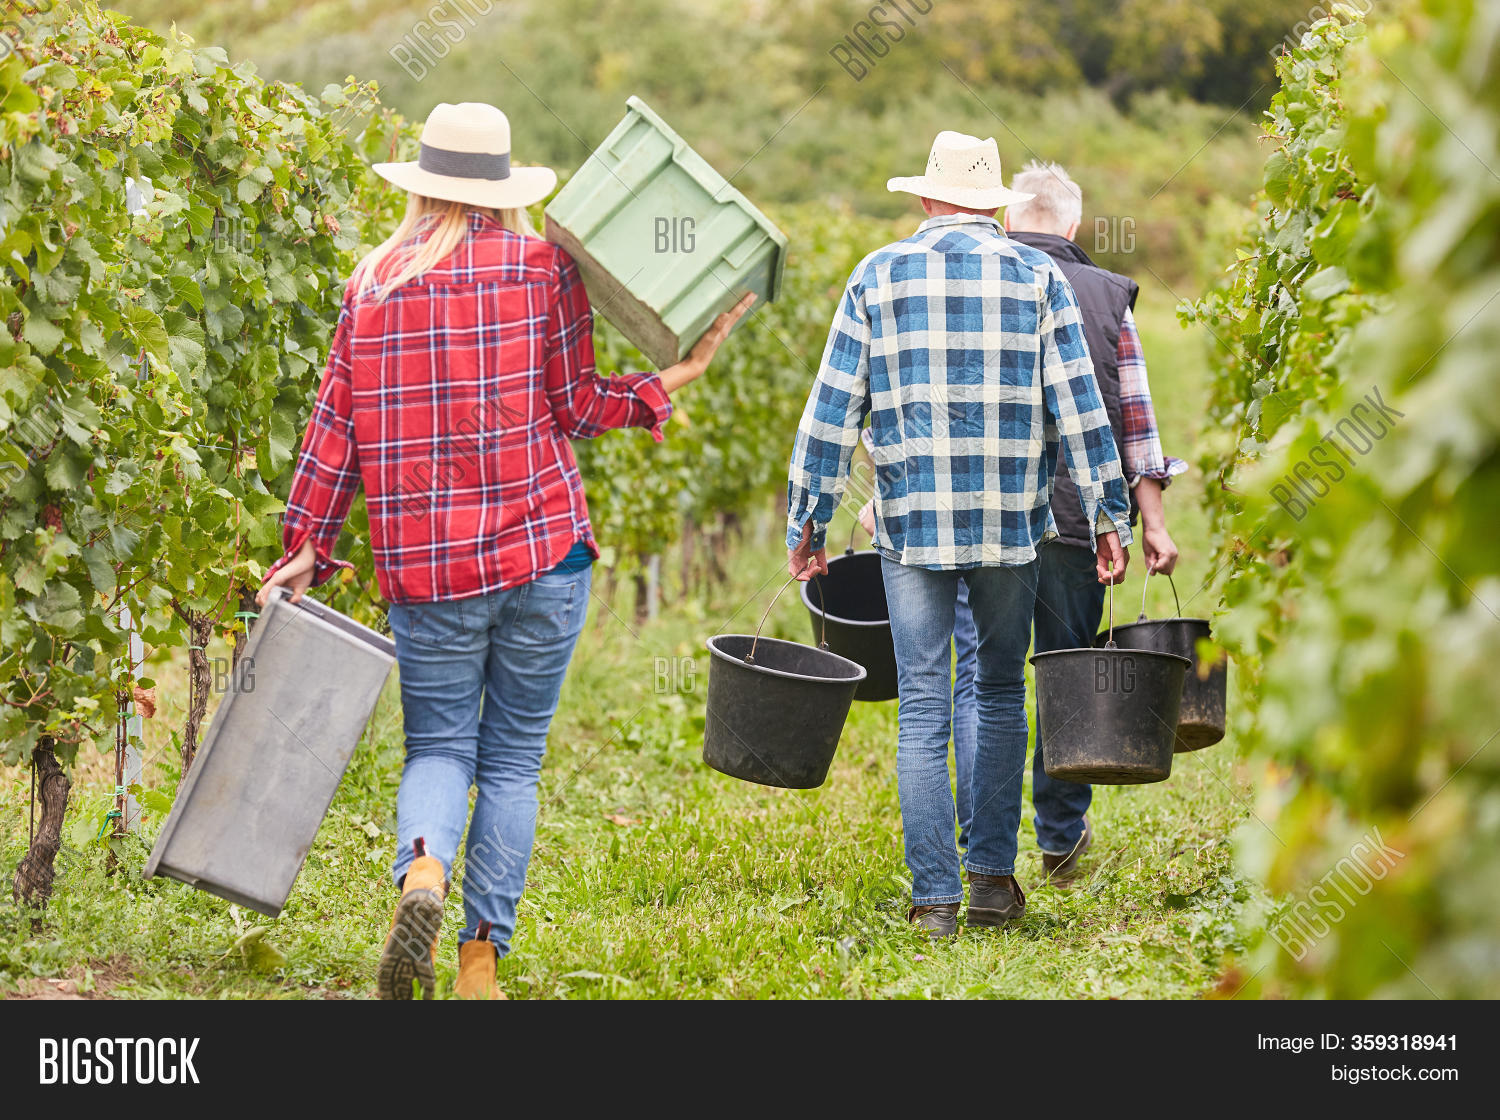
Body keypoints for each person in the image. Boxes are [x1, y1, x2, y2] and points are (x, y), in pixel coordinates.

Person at [256, 102, 754, 998]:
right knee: (515, 758)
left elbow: (336, 430)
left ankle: (422, 874)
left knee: (438, 749)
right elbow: (574, 404)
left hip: (428, 569)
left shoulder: (371, 284)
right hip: (542, 553)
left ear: (422, 187)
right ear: (502, 188)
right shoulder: (542, 268)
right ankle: (480, 961)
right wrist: (664, 386)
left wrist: (307, 546)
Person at [787, 131, 1132, 939]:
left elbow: (832, 412)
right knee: (1002, 692)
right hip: (1015, 528)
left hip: (912, 525)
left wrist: (808, 520)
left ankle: (934, 898)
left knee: (921, 708)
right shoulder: (1038, 274)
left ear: (926, 198)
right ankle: (989, 883)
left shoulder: (878, 275)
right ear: (992, 204)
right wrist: (1109, 514)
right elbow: (1080, 407)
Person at [949, 161, 1187, 881]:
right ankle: (1060, 838)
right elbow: (1136, 426)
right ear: (1075, 226)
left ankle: (980, 845)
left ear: (1005, 218)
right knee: (1066, 670)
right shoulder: (1109, 295)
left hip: (985, 515)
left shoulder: (972, 284)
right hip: (1079, 517)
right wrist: (1150, 522)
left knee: (984, 679)